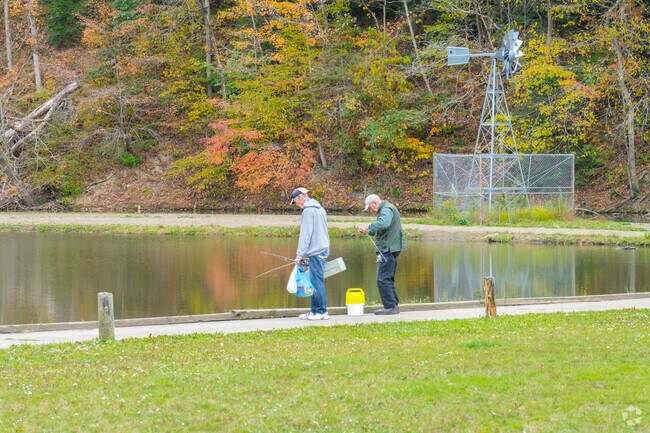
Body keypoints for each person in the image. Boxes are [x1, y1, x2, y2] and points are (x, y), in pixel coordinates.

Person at [358, 194, 405, 315]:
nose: (371, 211)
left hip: (387, 249)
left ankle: (390, 307)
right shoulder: (387, 208)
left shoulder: (386, 209)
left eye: (370, 208)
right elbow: (382, 227)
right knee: (387, 278)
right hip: (389, 248)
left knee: (382, 279)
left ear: (374, 203)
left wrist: (368, 226)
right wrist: (369, 230)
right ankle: (393, 305)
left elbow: (384, 224)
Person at [290, 187, 330, 320]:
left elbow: (305, 235)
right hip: (322, 248)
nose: (296, 205)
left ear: (300, 198)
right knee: (313, 280)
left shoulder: (308, 211)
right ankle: (314, 311)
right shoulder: (319, 208)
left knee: (316, 281)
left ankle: (321, 312)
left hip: (317, 251)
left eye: (295, 202)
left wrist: (299, 255)